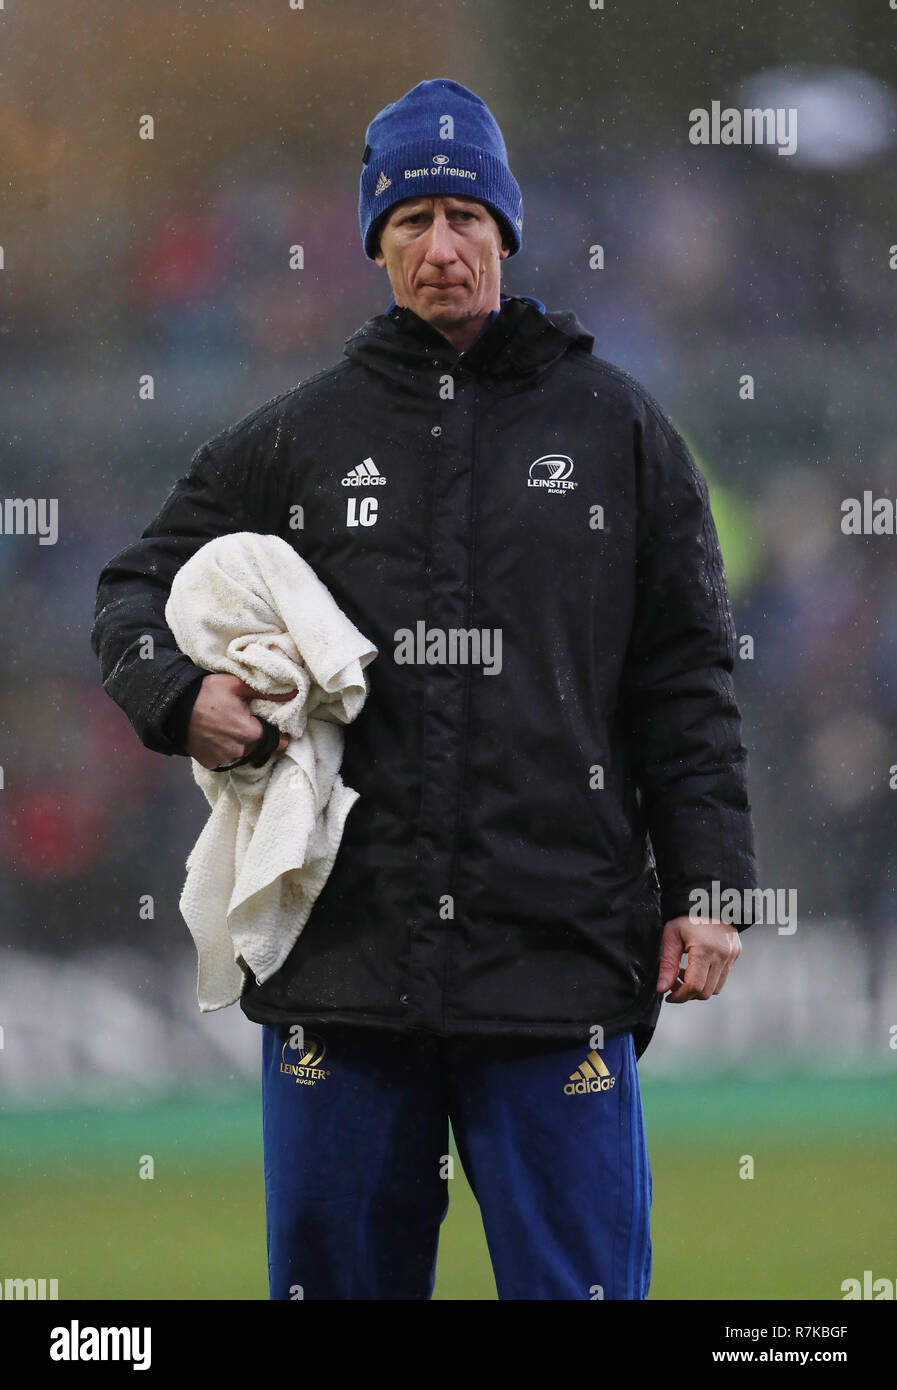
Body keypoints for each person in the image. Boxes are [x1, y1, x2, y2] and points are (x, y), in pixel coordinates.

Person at [91, 78, 756, 1301]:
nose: (440, 247)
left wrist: (708, 883)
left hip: (556, 960)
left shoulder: (620, 427)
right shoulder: (297, 432)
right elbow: (130, 589)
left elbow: (688, 678)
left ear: (506, 230)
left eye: (464, 216)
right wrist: (178, 695)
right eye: (410, 221)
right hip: (344, 967)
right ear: (374, 242)